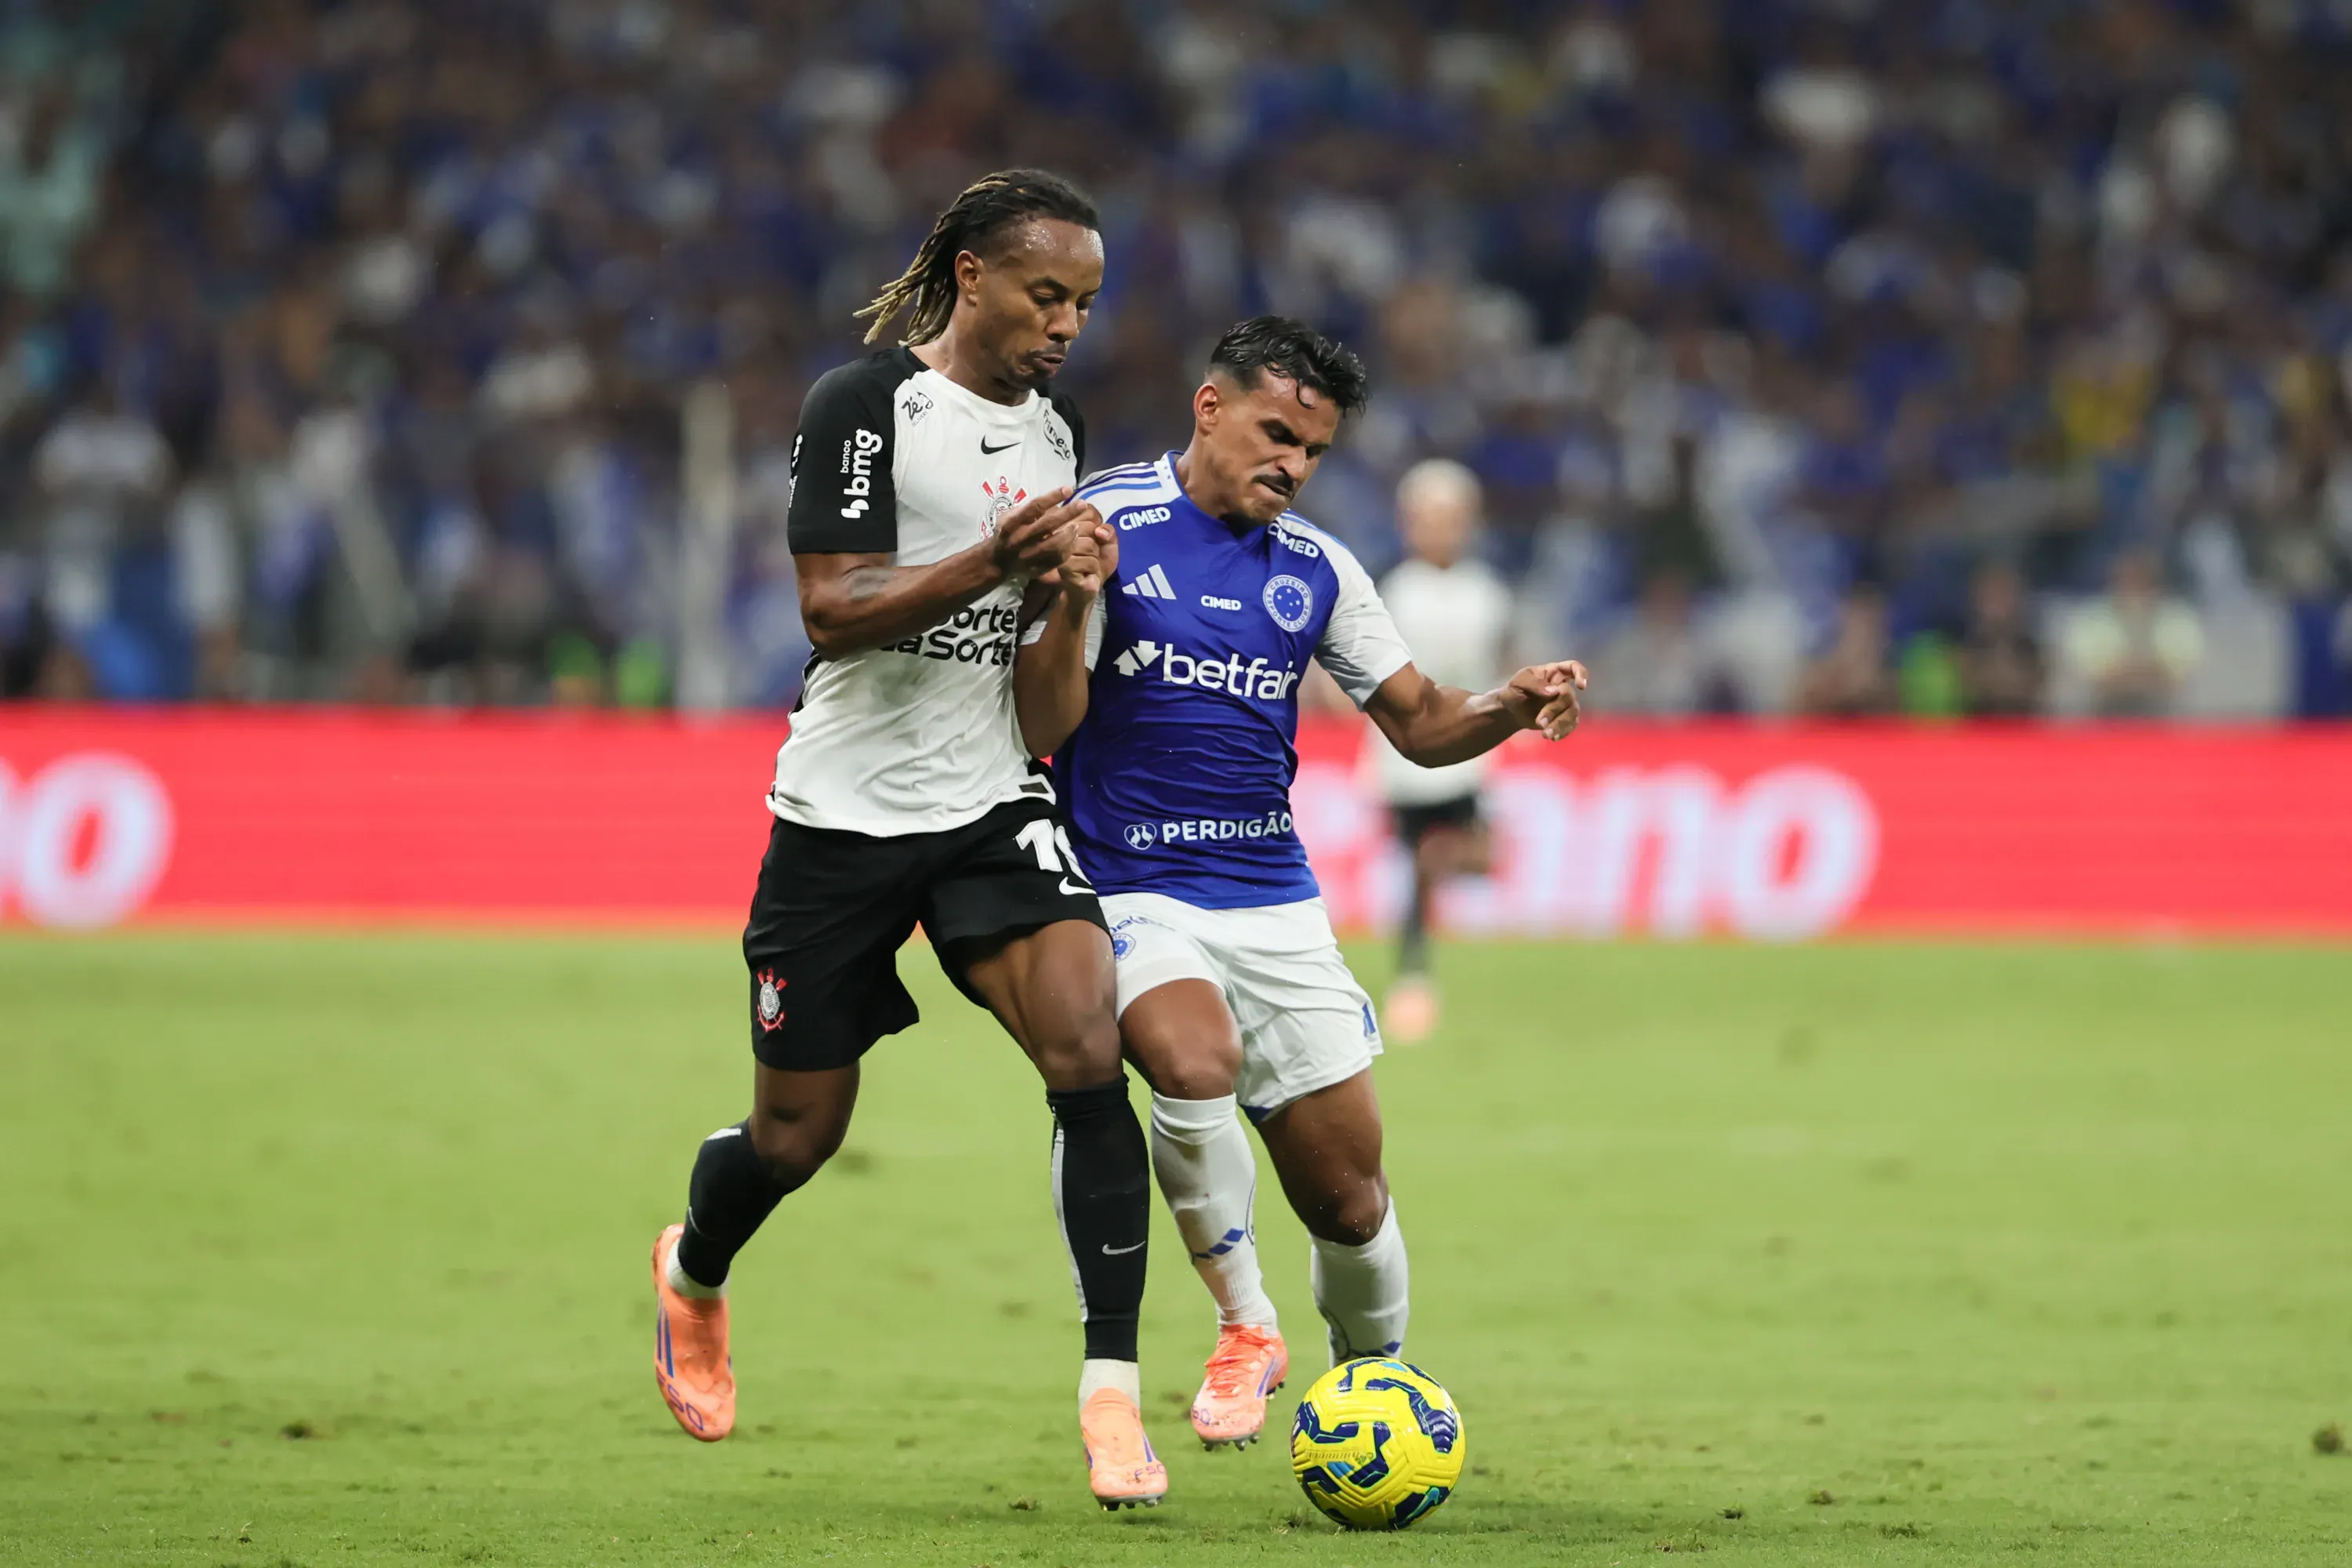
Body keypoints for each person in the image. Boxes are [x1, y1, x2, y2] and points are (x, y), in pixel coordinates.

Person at [647, 169, 1170, 1511]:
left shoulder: (1063, 432)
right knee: (795, 1138)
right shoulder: (866, 406)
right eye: (1047, 294)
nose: (1067, 324)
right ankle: (694, 1274)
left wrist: (1069, 606)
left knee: (1087, 1045)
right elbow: (834, 608)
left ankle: (1112, 1397)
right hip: (840, 818)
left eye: (1087, 304)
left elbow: (1045, 711)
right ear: (973, 276)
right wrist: (1002, 560)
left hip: (992, 800)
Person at [1016, 316, 1588, 1450]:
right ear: (1210, 407)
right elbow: (1041, 722)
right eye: (1277, 434)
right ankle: (1246, 1323)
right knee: (1191, 1059)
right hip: (1131, 887)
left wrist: (1508, 708)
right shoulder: (1105, 522)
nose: (1292, 464)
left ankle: (1375, 1397)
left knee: (1349, 1198)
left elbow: (1422, 725)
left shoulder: (1318, 569)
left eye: (1314, 451)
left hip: (1272, 899)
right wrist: (1078, 600)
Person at [1364, 459, 1515, 1043]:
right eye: (1430, 518)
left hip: (1472, 753)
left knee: (1461, 858)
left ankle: (1416, 977)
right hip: (1402, 760)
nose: (1441, 530)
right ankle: (1414, 978)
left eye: (1451, 519)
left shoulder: (1487, 594)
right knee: (1419, 867)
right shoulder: (1394, 592)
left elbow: (1502, 665)